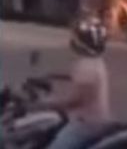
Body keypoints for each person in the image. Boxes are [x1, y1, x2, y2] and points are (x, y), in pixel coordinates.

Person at [31, 15, 112, 149]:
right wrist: (52, 75)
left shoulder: (87, 67)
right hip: (95, 121)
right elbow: (77, 77)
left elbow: (75, 100)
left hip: (86, 124)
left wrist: (43, 104)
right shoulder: (94, 61)